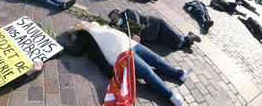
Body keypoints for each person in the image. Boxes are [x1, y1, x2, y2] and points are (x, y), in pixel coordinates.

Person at [61, 21, 190, 106]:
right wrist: (62, 47)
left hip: (131, 44)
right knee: (147, 72)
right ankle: (171, 96)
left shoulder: (98, 26)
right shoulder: (83, 34)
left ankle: (180, 74)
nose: (83, 21)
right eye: (80, 22)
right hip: (121, 54)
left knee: (156, 60)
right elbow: (77, 51)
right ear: (78, 27)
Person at [108, 9, 201, 50]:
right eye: (113, 21)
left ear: (119, 14)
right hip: (154, 36)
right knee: (174, 45)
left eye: (115, 18)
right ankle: (188, 39)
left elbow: (136, 21)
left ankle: (189, 38)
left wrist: (133, 34)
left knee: (176, 39)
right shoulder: (121, 27)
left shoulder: (128, 12)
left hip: (157, 25)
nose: (115, 21)